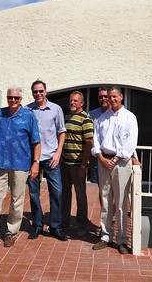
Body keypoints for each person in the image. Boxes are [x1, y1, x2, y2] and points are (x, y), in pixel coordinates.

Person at [0, 86, 41, 249]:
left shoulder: (29, 116)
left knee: (16, 200)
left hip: (21, 164)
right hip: (1, 163)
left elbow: (36, 141)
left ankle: (11, 232)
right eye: (10, 98)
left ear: (21, 99)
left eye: (16, 98)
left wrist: (36, 163)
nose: (13, 100)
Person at [91, 86, 138, 254]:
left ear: (121, 97)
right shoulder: (102, 118)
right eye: (109, 97)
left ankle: (122, 240)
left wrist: (115, 159)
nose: (111, 99)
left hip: (121, 164)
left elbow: (130, 143)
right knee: (105, 201)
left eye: (114, 96)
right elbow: (96, 141)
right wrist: (102, 158)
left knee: (120, 203)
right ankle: (105, 236)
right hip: (104, 162)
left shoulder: (129, 118)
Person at [26, 79, 68, 241]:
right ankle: (37, 225)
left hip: (51, 157)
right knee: (34, 193)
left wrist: (58, 153)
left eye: (40, 91)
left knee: (56, 192)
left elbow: (62, 131)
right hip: (34, 159)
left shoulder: (56, 109)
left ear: (46, 92)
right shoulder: (27, 110)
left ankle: (55, 227)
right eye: (35, 91)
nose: (38, 94)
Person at [61, 91, 94, 237]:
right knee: (65, 194)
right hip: (64, 163)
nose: (72, 103)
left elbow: (89, 144)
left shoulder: (85, 119)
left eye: (75, 101)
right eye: (71, 101)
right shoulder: (67, 117)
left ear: (82, 103)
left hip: (77, 164)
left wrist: (83, 165)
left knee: (80, 195)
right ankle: (64, 222)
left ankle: (82, 224)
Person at [88, 87, 110, 184]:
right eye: (101, 97)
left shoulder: (116, 114)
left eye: (106, 96)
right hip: (96, 157)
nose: (103, 99)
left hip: (112, 157)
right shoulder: (92, 114)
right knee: (96, 187)